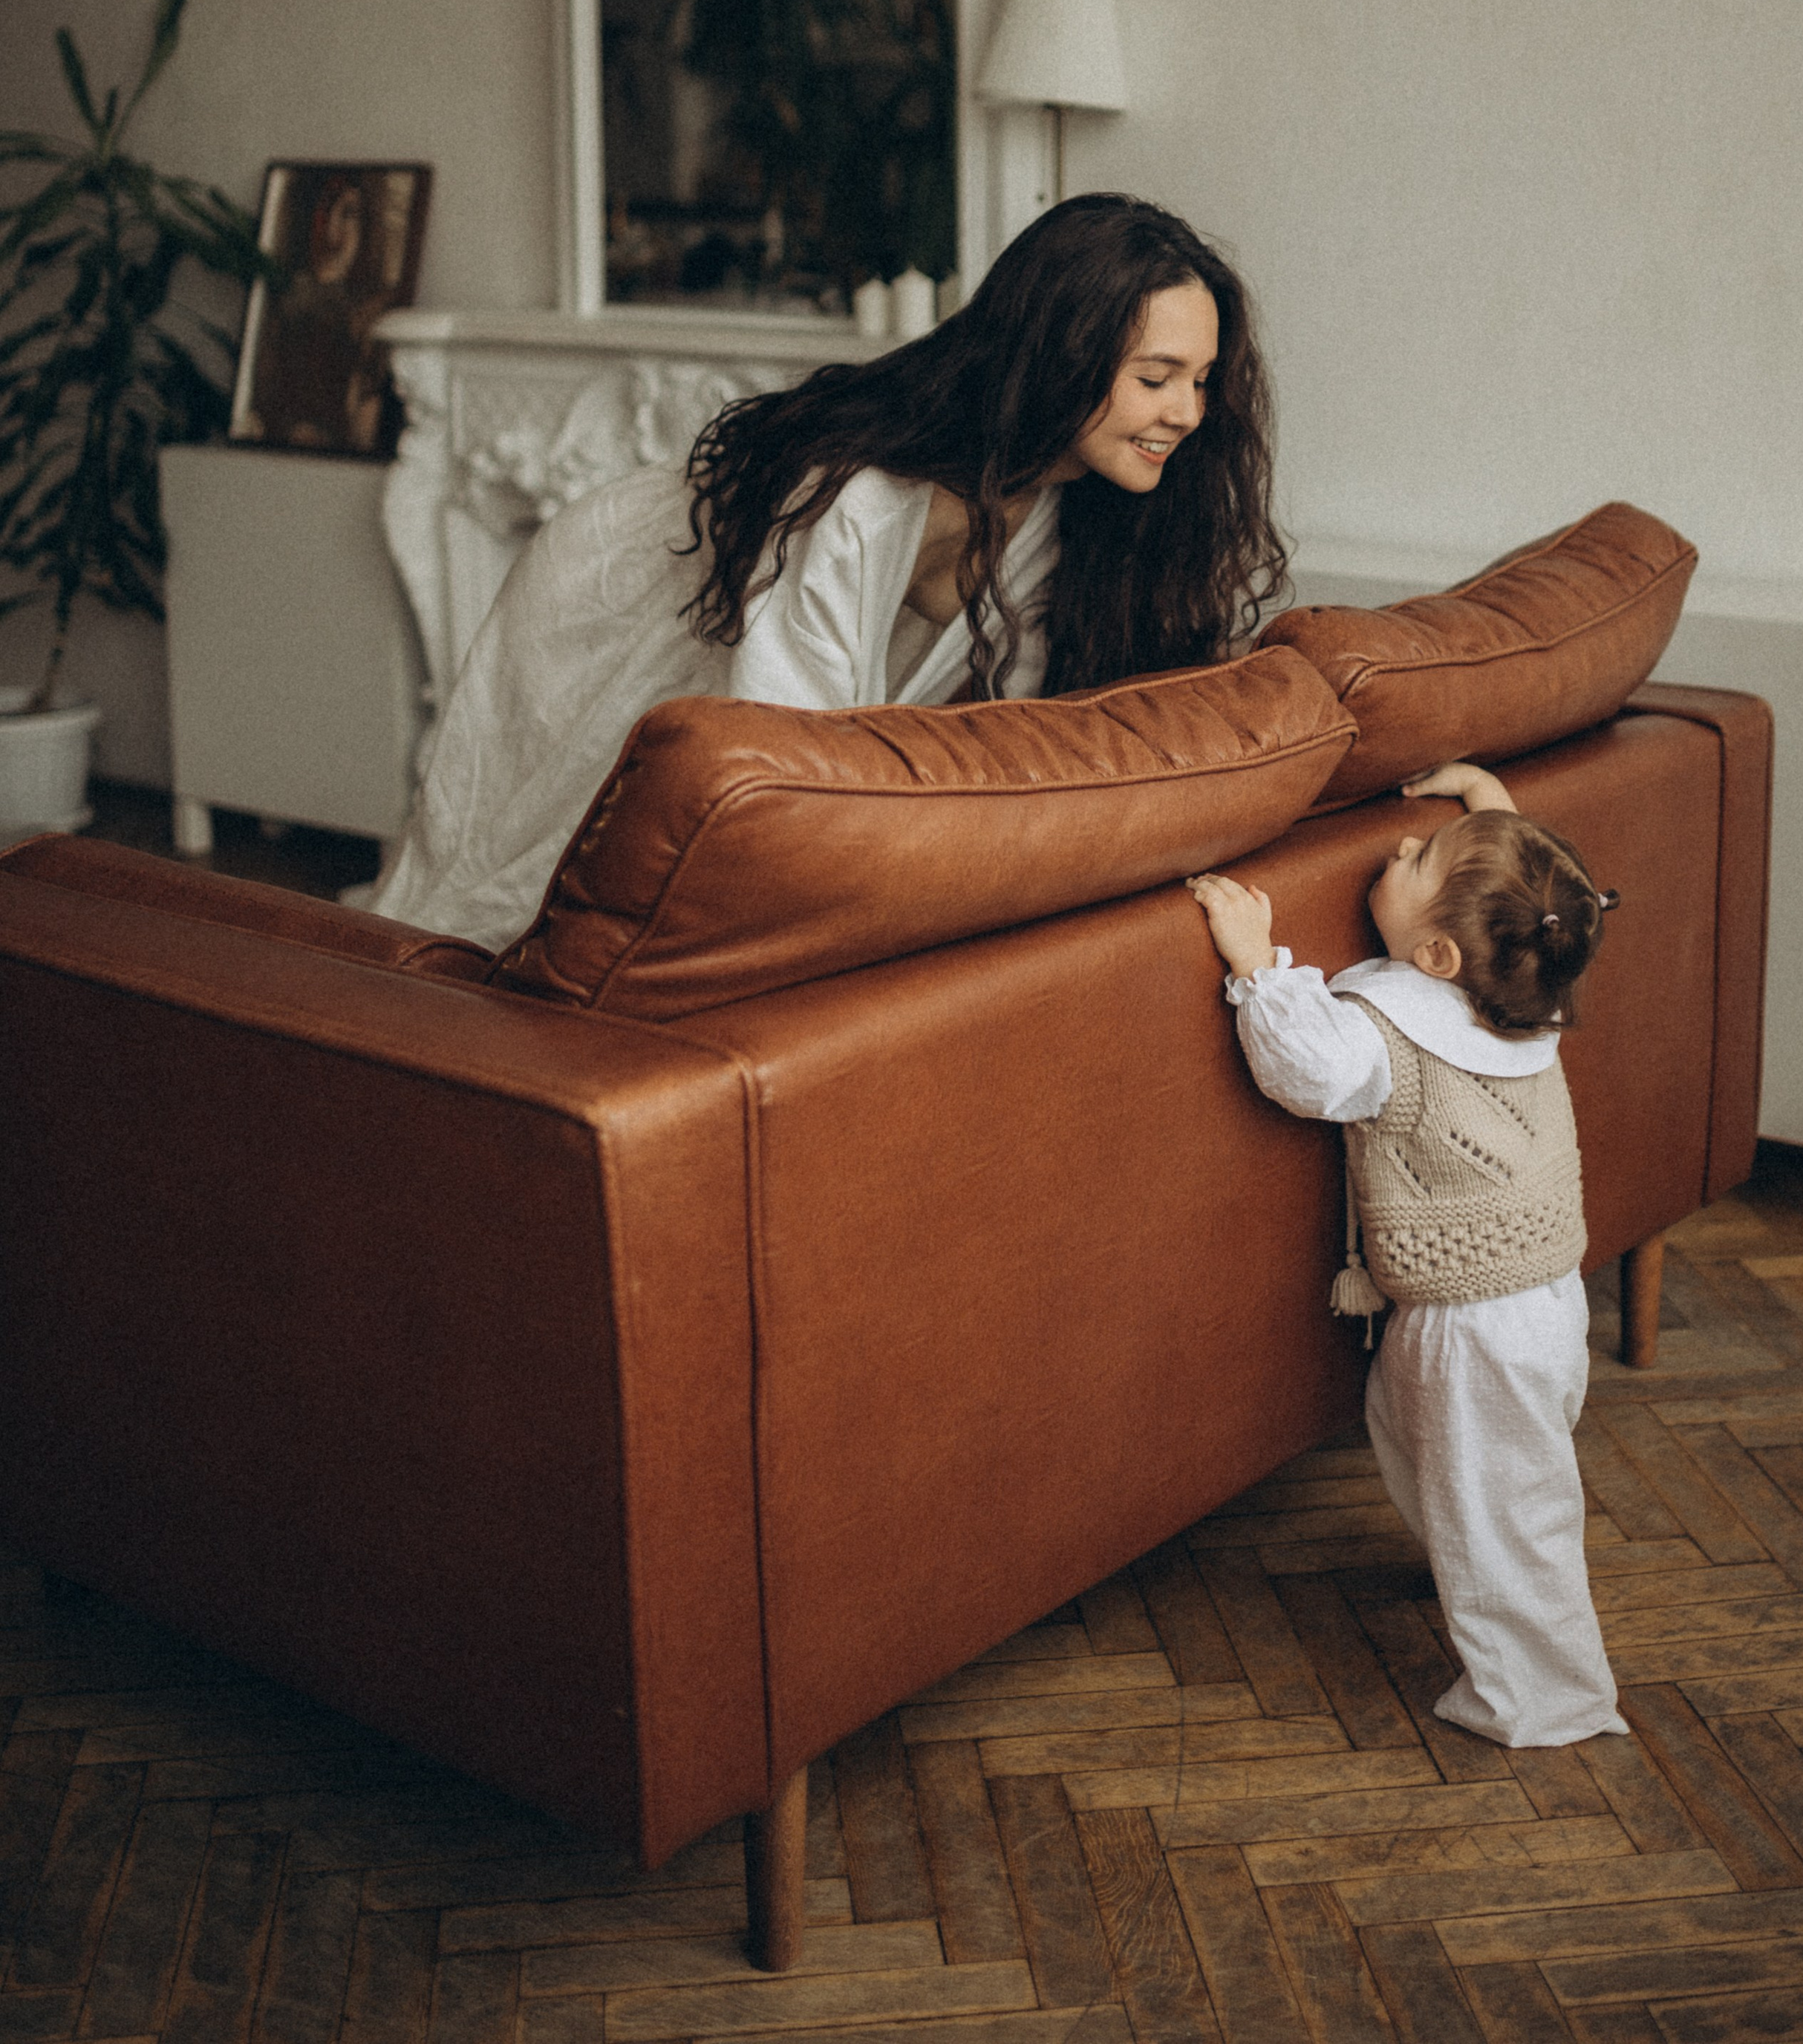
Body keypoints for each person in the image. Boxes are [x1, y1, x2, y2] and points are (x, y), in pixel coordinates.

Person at [373, 195, 1288, 950]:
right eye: (1157, 376)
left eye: (1201, 380)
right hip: (612, 588)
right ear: (1063, 355)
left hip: (734, 641)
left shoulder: (1069, 508)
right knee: (508, 862)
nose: (1189, 413)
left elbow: (1022, 736)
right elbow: (784, 755)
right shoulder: (856, 499)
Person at [1187, 762, 1627, 1748]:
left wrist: (1256, 964)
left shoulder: (1392, 1038)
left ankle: (1547, 1699)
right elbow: (1530, 905)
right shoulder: (1531, 988)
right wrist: (1492, 810)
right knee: (1424, 1442)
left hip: (1473, 1325)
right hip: (1545, 1298)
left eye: (1418, 858)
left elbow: (1308, 1071)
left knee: (1507, 1511)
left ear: (1434, 952)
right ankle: (1467, 1552)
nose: (1397, 846)